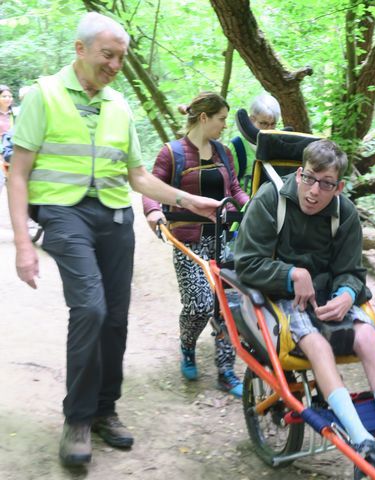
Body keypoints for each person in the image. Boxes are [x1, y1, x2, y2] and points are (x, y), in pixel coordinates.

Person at [7, 12, 221, 468]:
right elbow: (19, 173)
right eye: (108, 55)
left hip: (114, 215)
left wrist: (188, 199)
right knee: (90, 308)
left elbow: (138, 176)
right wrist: (24, 243)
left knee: (117, 319)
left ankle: (105, 409)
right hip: (64, 213)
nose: (115, 65)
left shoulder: (119, 106)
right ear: (80, 50)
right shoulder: (44, 96)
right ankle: (78, 419)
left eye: (121, 57)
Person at [234, 139, 375, 478]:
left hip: (330, 296)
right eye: (309, 178)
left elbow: (351, 270)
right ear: (300, 172)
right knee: (317, 345)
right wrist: (291, 274)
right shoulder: (270, 200)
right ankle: (362, 441)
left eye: (326, 184)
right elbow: (245, 264)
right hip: (279, 294)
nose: (314, 191)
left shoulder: (344, 212)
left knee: (369, 338)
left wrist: (348, 293)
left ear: (339, 186)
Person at [142, 92, 249, 397]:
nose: (224, 126)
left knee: (229, 305)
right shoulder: (171, 153)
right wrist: (152, 211)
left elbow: (235, 188)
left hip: (222, 240)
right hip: (187, 239)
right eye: (221, 119)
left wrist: (251, 205)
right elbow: (152, 187)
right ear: (204, 118)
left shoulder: (224, 152)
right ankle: (187, 347)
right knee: (199, 305)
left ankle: (226, 372)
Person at [229, 92, 281, 189]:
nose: (269, 129)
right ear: (251, 119)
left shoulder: (278, 146)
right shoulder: (237, 146)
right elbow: (229, 186)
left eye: (273, 124)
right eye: (264, 123)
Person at [0, 84, 16, 193]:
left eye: (10, 96)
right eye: (4, 96)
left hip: (11, 152)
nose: (8, 99)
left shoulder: (15, 114)